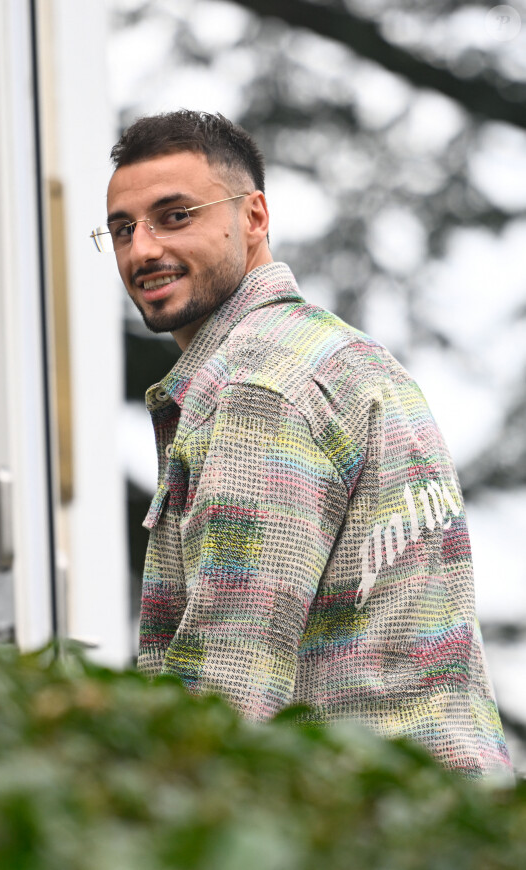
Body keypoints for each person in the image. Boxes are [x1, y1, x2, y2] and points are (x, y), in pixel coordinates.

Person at [92, 109, 511, 777]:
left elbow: (229, 680)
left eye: (174, 216)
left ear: (253, 217)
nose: (141, 250)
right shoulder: (353, 359)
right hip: (457, 812)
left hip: (361, 826)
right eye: (121, 229)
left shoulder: (259, 385)